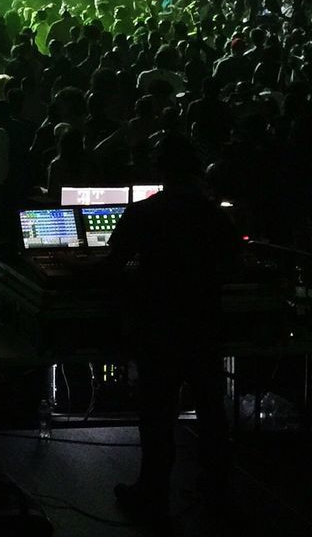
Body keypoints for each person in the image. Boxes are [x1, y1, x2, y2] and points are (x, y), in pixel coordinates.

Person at [103, 134, 239, 520]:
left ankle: (152, 491)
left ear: (159, 169)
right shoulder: (214, 215)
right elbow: (234, 264)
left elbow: (112, 266)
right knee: (211, 410)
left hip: (159, 326)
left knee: (157, 414)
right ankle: (217, 489)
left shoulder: (145, 213)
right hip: (203, 325)